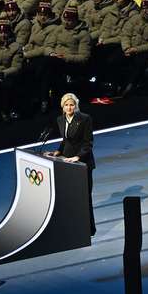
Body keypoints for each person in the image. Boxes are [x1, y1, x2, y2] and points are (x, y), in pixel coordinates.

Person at [47, 93, 96, 236]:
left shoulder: (85, 119)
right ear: (62, 106)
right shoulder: (60, 119)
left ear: (76, 105)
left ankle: (89, 229)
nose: (69, 107)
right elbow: (65, 140)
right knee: (72, 197)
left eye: (72, 105)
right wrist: (58, 151)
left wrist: (78, 156)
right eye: (66, 105)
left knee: (85, 196)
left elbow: (88, 143)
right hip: (67, 163)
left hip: (83, 163)